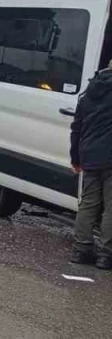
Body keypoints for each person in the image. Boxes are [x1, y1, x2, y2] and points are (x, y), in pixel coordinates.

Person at [69, 68, 112, 270]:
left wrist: (75, 159)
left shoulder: (88, 93)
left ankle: (82, 250)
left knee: (88, 203)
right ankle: (106, 255)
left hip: (89, 155)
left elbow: (76, 127)